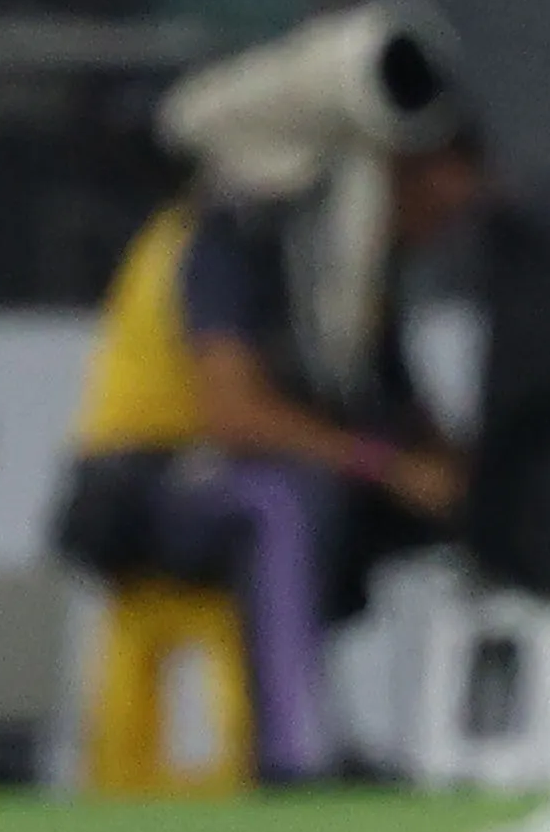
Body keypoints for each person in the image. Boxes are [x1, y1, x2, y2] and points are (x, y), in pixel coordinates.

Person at [56, 124, 487, 780]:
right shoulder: (228, 240)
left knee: (403, 505)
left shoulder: (350, 274)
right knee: (284, 499)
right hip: (141, 483)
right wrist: (386, 466)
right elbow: (236, 416)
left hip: (266, 478)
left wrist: (465, 479)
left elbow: (396, 411)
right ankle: (294, 754)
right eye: (436, 200)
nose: (443, 225)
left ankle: (452, 746)